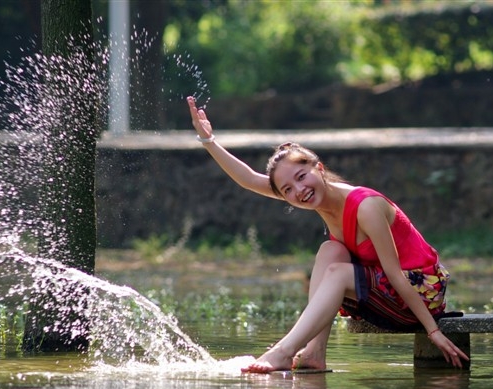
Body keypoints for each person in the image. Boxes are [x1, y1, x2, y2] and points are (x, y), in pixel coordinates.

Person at [187, 96, 469, 372]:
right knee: (330, 251)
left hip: (422, 293)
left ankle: (283, 352)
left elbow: (395, 274)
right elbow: (249, 179)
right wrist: (208, 141)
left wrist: (433, 330)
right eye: (287, 190)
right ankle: (314, 353)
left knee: (338, 271)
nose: (298, 191)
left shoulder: (365, 206)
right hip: (388, 291)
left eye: (301, 177)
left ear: (319, 169)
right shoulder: (314, 199)